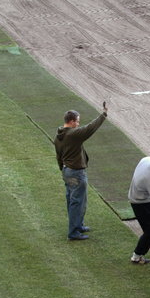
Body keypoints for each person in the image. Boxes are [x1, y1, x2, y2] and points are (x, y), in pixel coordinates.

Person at [55, 102, 108, 240]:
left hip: (67, 171)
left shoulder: (59, 135)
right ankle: (73, 232)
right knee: (77, 201)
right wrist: (103, 114)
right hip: (76, 173)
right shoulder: (73, 134)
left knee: (73, 199)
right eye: (77, 121)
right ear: (72, 122)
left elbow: (58, 156)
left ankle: (78, 225)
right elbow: (90, 128)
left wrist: (63, 169)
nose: (78, 124)